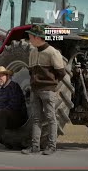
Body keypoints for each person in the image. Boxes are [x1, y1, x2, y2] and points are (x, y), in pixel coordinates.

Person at [21, 24, 66, 155]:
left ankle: (52, 147)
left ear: (37, 37)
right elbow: (31, 71)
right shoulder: (33, 52)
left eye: (30, 36)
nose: (29, 39)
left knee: (51, 118)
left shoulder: (52, 52)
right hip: (35, 90)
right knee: (36, 118)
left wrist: (52, 87)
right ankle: (35, 147)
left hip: (47, 91)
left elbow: (61, 73)